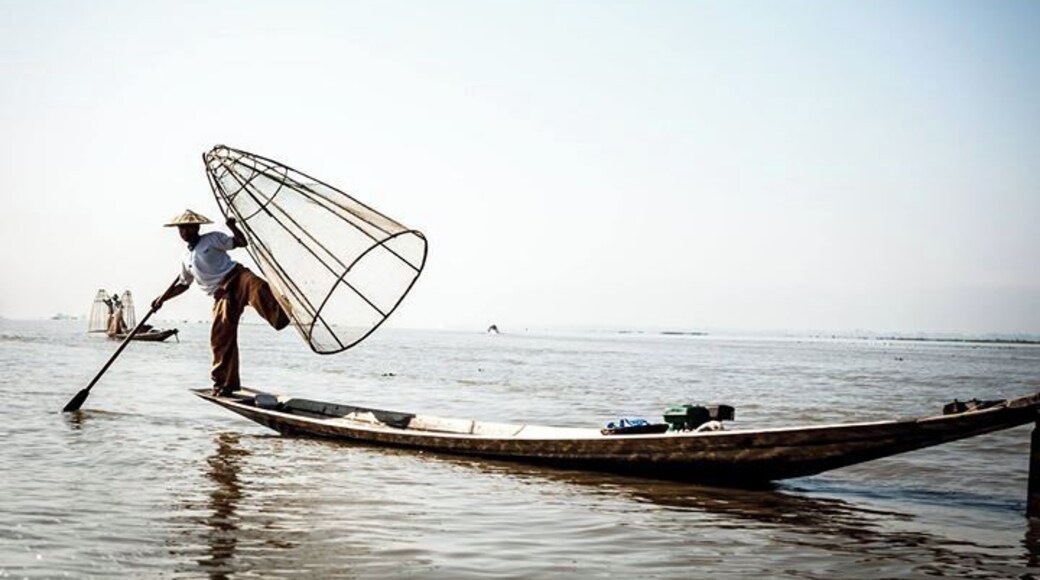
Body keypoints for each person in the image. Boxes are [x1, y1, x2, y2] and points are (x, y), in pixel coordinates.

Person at [151, 209, 291, 396]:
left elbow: (241, 242)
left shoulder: (212, 238)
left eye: (189, 228)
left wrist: (233, 227)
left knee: (258, 289)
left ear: (197, 228)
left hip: (237, 278)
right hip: (221, 295)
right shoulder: (185, 258)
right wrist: (162, 299)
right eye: (182, 229)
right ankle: (224, 384)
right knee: (220, 338)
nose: (185, 232)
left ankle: (285, 315)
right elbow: (183, 285)